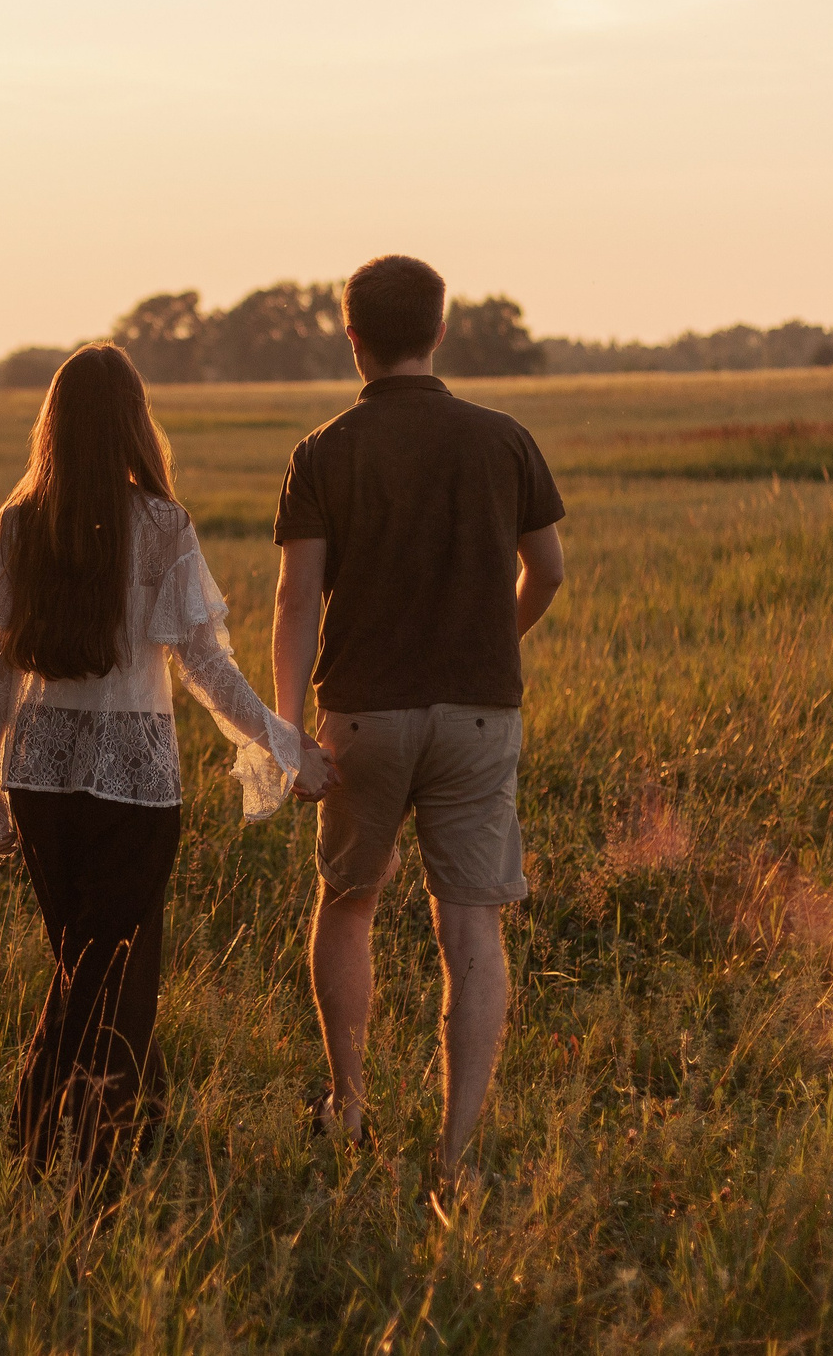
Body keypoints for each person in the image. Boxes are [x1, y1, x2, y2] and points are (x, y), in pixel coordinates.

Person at [0, 342, 337, 1175]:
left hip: (39, 778)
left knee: (87, 964)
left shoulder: (19, 523)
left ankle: (110, 1131)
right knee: (111, 971)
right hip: (135, 784)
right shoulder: (159, 524)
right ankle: (63, 1149)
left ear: (53, 425)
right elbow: (206, 666)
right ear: (133, 424)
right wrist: (285, 742)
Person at [271, 254, 566, 1201]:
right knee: (470, 922)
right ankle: (457, 1154)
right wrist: (495, 638)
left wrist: (288, 732)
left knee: (348, 900)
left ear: (351, 337)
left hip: (362, 714)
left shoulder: (322, 450)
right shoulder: (504, 438)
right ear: (441, 329)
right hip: (481, 712)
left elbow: (296, 599)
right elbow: (550, 570)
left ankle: (350, 1103)